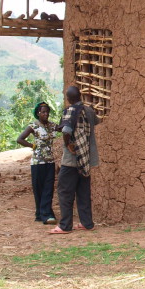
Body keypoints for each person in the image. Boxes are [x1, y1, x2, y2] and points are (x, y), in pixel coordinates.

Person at [50, 85, 99, 234]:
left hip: (72, 159)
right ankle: (87, 223)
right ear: (80, 96)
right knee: (83, 191)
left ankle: (65, 225)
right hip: (86, 158)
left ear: (69, 99)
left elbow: (66, 130)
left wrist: (68, 144)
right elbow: (96, 122)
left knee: (65, 191)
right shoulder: (89, 111)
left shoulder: (70, 111)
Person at [17, 102, 57, 224]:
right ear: (38, 113)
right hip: (37, 162)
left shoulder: (52, 125)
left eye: (47, 112)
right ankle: (40, 214)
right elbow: (20, 139)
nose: (46, 114)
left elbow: (62, 128)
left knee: (48, 188)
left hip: (50, 161)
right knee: (38, 188)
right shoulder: (33, 125)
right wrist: (32, 146)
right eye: (43, 112)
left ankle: (46, 214)